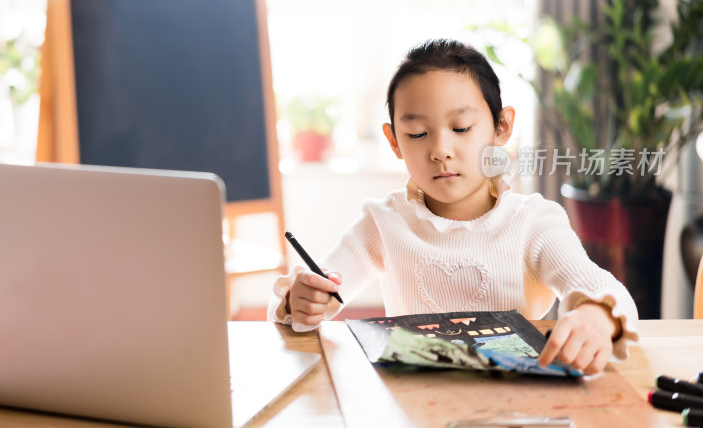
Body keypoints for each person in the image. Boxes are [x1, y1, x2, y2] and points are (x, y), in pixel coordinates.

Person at [268, 38, 639, 376]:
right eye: (416, 134)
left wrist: (597, 316)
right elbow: (308, 300)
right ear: (394, 141)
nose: (440, 150)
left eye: (461, 128)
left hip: (515, 398)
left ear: (501, 127)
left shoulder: (533, 222)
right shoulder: (384, 221)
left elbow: (603, 287)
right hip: (414, 402)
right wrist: (299, 302)